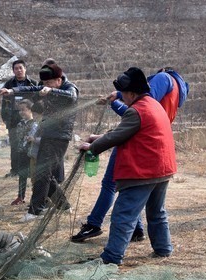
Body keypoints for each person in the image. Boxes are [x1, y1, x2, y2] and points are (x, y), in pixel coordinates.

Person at [72, 67, 189, 242]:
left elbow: (137, 115)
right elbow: (134, 120)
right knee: (153, 208)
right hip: (153, 148)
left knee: (114, 192)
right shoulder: (173, 89)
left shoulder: (162, 79)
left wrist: (94, 144)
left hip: (139, 146)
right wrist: (118, 96)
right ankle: (143, 233)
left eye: (126, 92)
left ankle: (101, 234)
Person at [0, 62, 79, 221]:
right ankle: (64, 206)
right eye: (44, 83)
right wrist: (12, 90)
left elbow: (72, 97)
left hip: (60, 136)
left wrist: (52, 90)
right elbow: (30, 89)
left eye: (49, 83)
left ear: (58, 80)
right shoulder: (45, 87)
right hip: (47, 133)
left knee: (42, 172)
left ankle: (35, 211)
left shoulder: (70, 88)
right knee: (44, 174)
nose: (45, 86)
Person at [0, 59, 38, 178]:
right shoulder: (9, 84)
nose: (18, 70)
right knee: (15, 145)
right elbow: (4, 103)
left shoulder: (33, 83)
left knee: (29, 143)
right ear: (13, 71)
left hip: (30, 120)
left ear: (25, 69)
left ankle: (28, 170)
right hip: (14, 120)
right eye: (16, 69)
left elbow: (37, 101)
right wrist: (5, 118)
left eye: (20, 68)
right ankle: (15, 170)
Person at [12, 99, 38, 205]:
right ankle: (20, 196)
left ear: (31, 110)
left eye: (24, 110)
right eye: (20, 110)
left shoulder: (35, 124)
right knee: (22, 175)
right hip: (21, 152)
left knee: (33, 176)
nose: (21, 112)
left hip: (31, 154)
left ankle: (35, 197)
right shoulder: (20, 124)